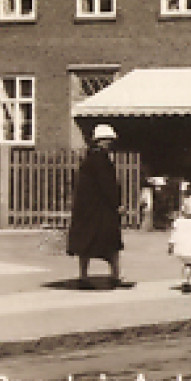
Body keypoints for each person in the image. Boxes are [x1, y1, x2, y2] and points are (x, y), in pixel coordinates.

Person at [67, 123, 125, 288]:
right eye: (108, 140)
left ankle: (83, 276)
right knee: (111, 242)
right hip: (101, 209)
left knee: (86, 244)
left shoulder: (88, 158)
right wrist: (117, 204)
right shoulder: (102, 160)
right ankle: (115, 275)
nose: (110, 143)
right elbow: (108, 185)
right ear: (103, 141)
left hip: (86, 209)